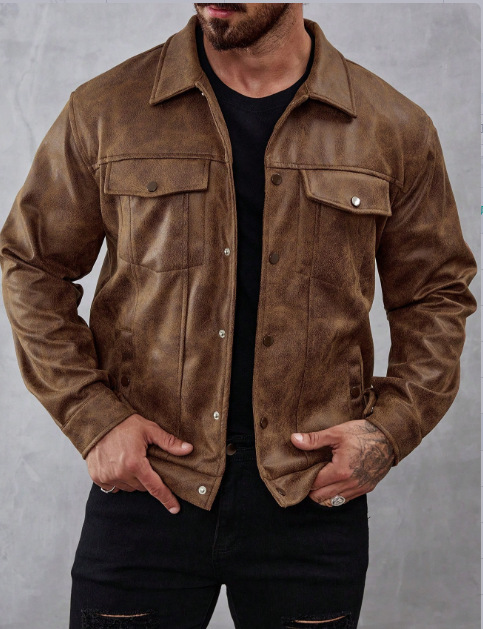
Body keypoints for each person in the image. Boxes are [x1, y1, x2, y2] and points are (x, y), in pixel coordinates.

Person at [0, 3, 477, 628]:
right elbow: (31, 264)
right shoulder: (107, 109)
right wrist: (92, 417)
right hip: (150, 488)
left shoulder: (392, 125)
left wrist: (391, 430)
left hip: (309, 495)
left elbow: (435, 294)